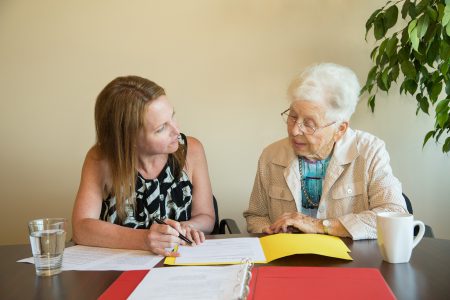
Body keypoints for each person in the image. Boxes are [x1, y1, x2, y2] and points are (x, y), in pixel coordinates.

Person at [243, 63, 407, 240]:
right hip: (287, 259)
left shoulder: (369, 151)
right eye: (292, 116)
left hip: (349, 262)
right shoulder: (271, 156)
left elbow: (394, 213)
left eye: (309, 124)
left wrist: (320, 226)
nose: (295, 130)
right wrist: (271, 230)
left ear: (340, 129)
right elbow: (256, 216)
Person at [72, 75, 215, 256]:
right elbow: (81, 228)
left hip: (177, 265)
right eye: (161, 128)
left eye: (173, 116)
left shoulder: (192, 150)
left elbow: (207, 218)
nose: (176, 131)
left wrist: (181, 229)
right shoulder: (101, 159)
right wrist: (143, 239)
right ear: (129, 140)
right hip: (119, 269)